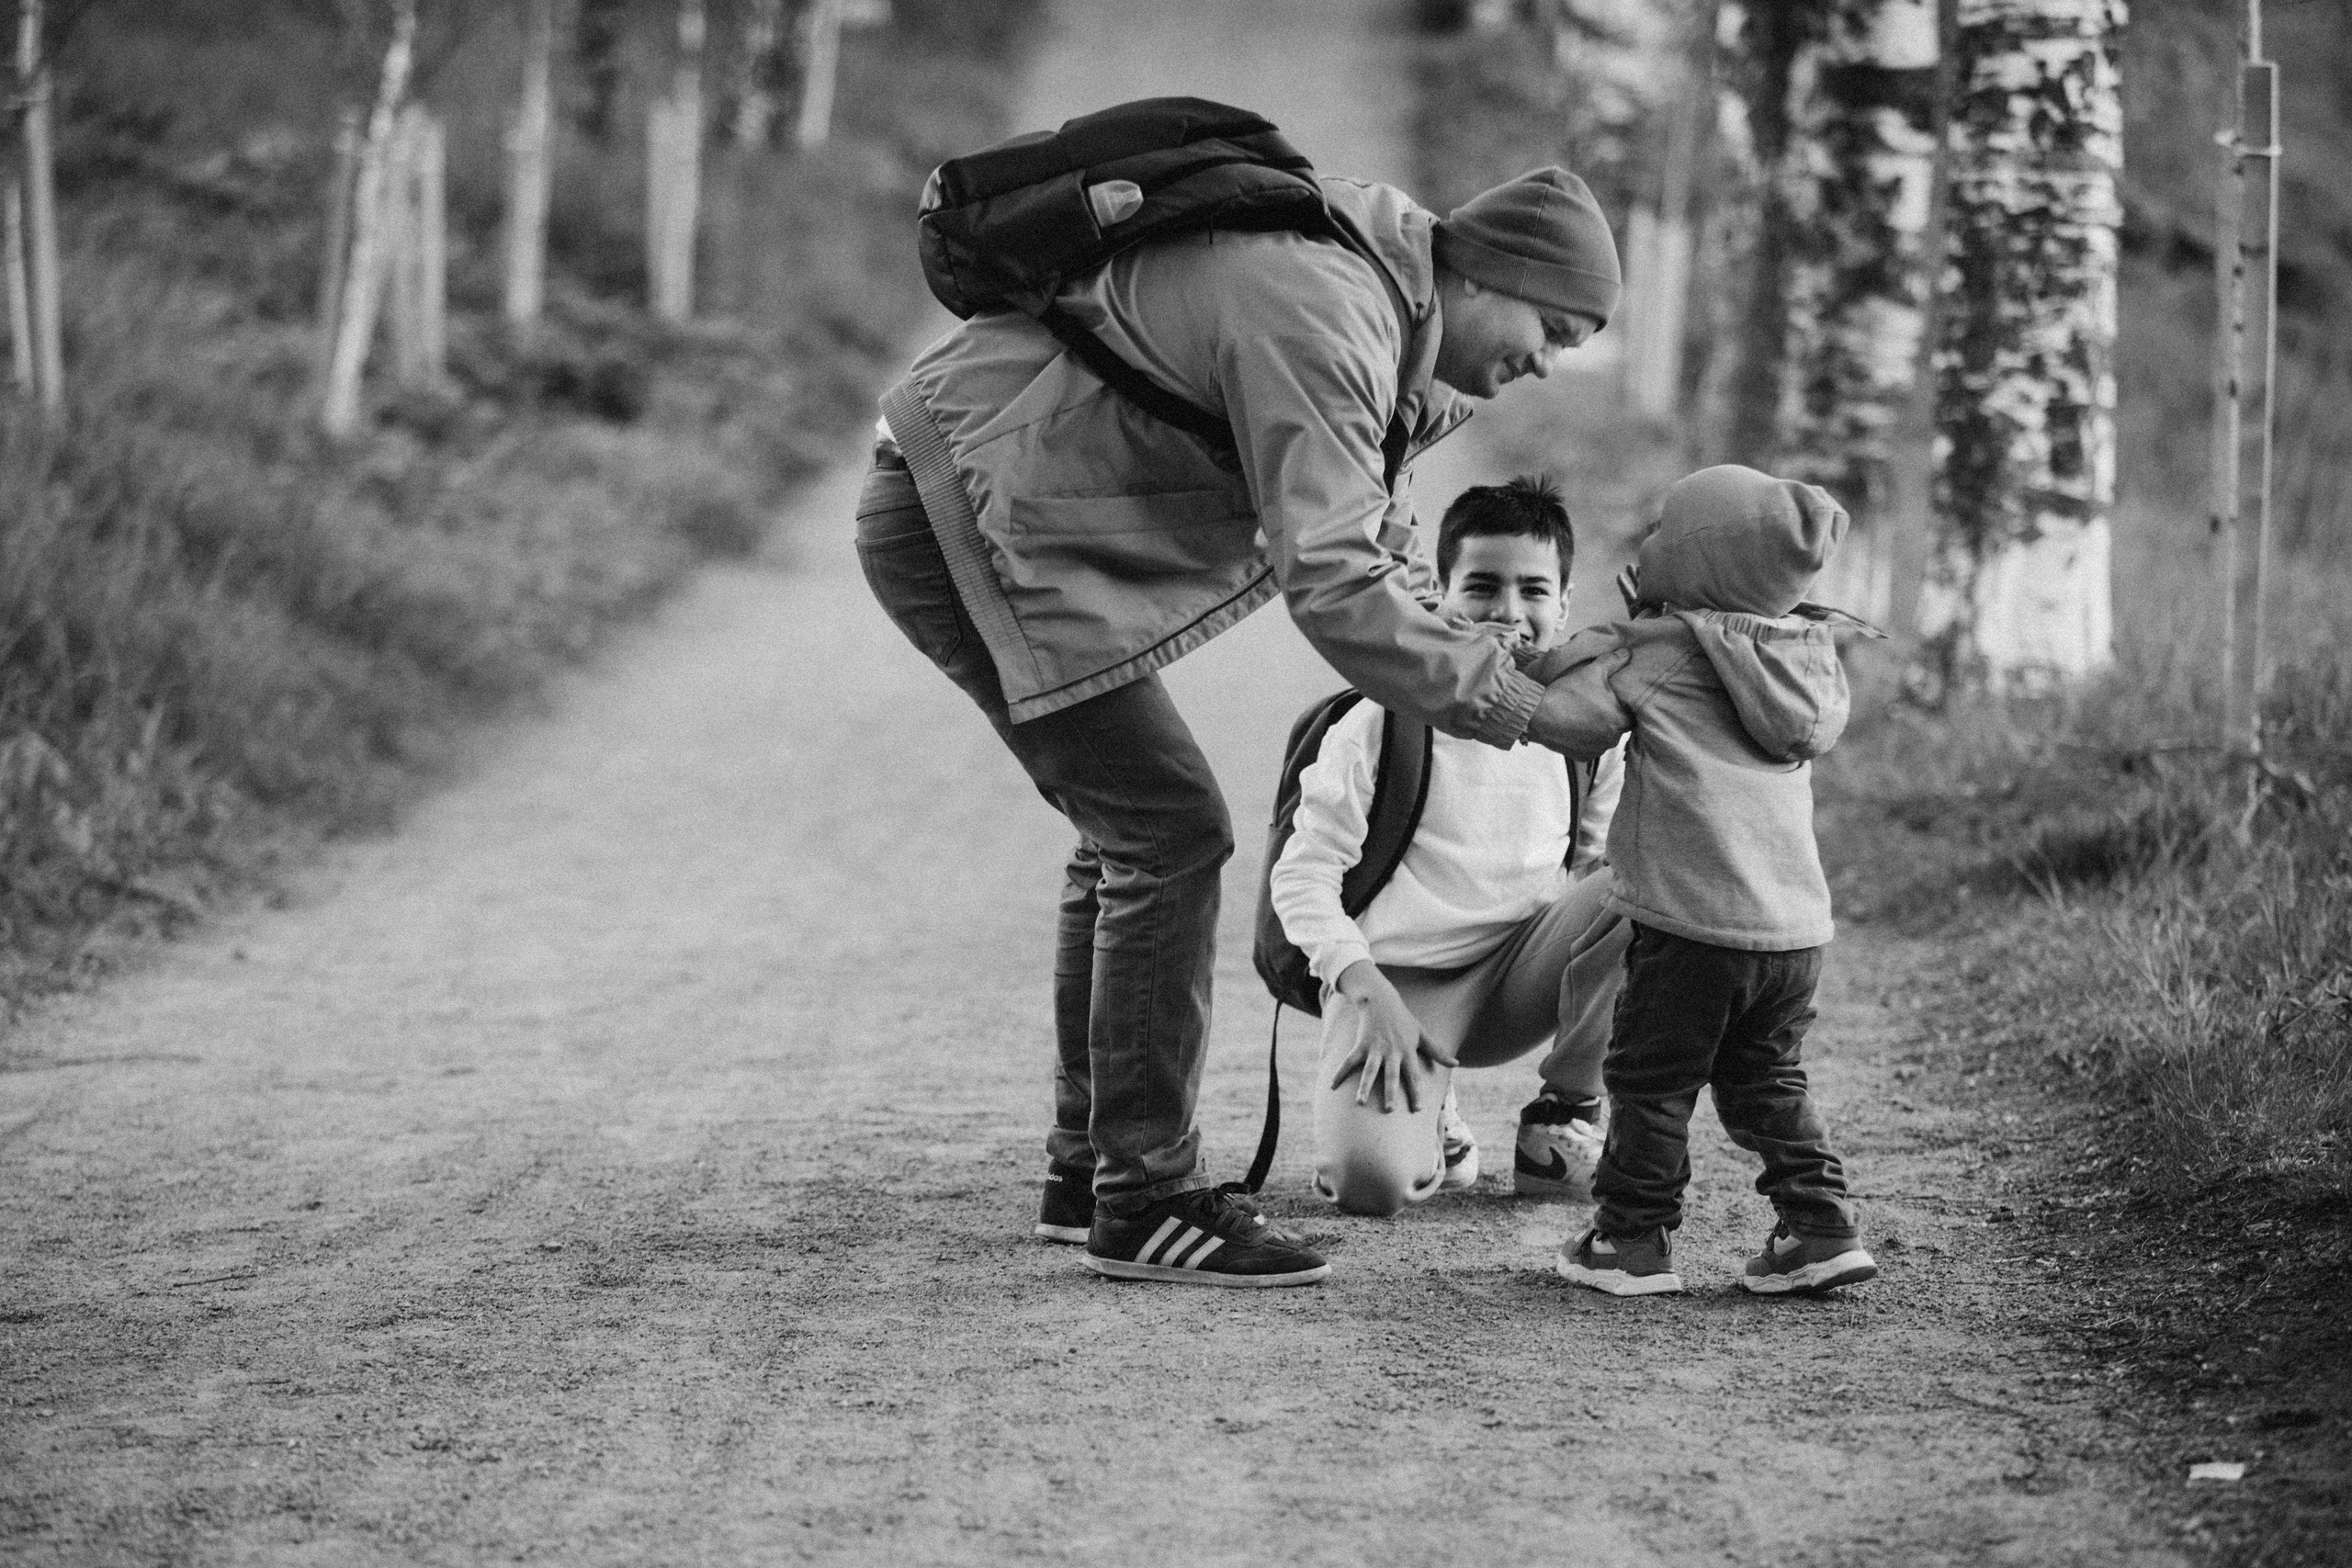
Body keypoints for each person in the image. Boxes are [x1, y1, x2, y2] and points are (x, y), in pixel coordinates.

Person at [857, 162, 1621, 1288]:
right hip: (964, 512)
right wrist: (1525, 709)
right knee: (1165, 831)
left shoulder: (1396, 327)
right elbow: (1334, 580)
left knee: (1128, 834)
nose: (1546, 362)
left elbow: (1377, 533)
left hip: (1014, 516)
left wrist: (1525, 660)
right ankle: (1146, 1196)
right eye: (1549, 327)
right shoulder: (1327, 311)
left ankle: (1092, 1169)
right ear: (1482, 275)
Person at [1518, 464, 1879, 1298]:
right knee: (1768, 1078)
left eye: (1659, 535)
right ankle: (1821, 1225)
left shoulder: (1669, 647)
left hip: (1688, 928)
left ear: (1697, 557)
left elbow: (1578, 725)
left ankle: (1632, 1239)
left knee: (1651, 1080)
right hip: (1792, 934)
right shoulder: (1804, 651)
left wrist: (1507, 686)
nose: (1644, 548)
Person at [1267, 476, 1629, 1216]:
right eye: (1482, 587)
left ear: (1564, 605)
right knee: (1370, 1186)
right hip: (1402, 988)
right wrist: (1364, 989)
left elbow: (1593, 870)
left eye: (1534, 591)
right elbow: (1301, 876)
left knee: (1646, 882)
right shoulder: (1382, 717)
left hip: (1520, 973)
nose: (1509, 613)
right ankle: (1433, 1118)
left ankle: (1563, 1117)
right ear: (1441, 597)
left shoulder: (1587, 731)